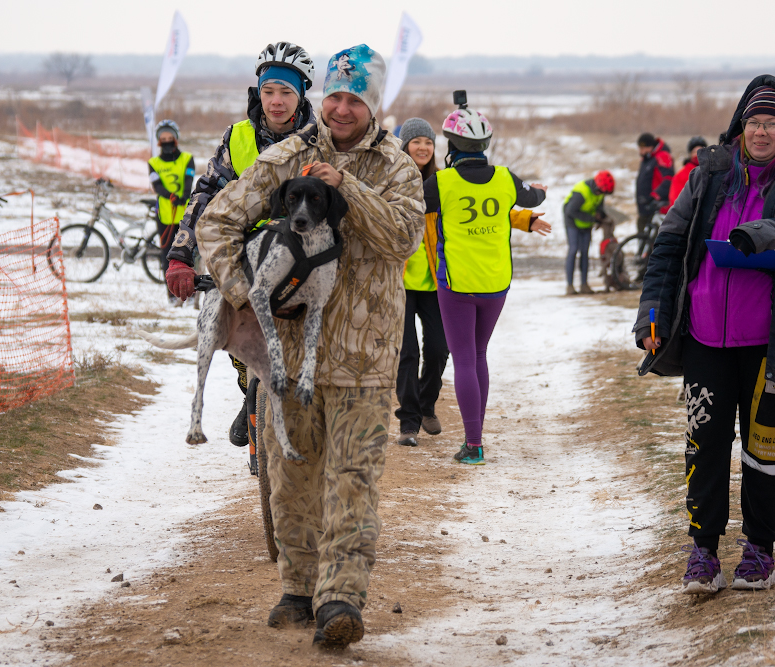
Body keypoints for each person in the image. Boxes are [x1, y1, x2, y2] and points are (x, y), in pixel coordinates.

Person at [196, 44, 424, 650]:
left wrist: (345, 185)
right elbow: (214, 221)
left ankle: (340, 600)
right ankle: (297, 590)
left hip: (366, 360)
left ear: (372, 104)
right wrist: (246, 294)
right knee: (292, 480)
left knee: (353, 481)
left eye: (355, 99)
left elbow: (402, 238)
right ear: (321, 99)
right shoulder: (288, 155)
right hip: (290, 361)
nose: (342, 109)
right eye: (335, 97)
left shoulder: (397, 166)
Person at [635, 76, 775, 594]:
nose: (761, 131)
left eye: (772, 122)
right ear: (740, 125)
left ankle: (759, 548)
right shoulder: (709, 175)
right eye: (754, 121)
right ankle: (703, 550)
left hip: (773, 345)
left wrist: (764, 234)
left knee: (767, 449)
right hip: (707, 340)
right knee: (704, 442)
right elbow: (668, 246)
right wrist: (652, 314)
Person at [165, 41, 316, 447]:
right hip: (242, 257)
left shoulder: (320, 141)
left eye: (286, 92)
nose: (277, 101)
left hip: (303, 259)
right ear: (258, 93)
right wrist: (179, 254)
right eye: (268, 92)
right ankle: (250, 393)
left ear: (302, 93)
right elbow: (205, 194)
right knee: (239, 342)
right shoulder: (238, 138)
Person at [423, 95, 550, 465]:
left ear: (451, 145)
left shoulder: (440, 183)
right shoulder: (505, 179)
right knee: (479, 355)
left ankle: (473, 445)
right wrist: (536, 192)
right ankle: (475, 439)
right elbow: (535, 194)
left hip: (457, 285)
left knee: (463, 359)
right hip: (497, 285)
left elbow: (406, 203)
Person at [395, 118, 448, 447]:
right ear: (405, 146)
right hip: (398, 284)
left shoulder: (445, 184)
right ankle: (409, 422)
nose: (423, 147)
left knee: (440, 350)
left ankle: (427, 405)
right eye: (417, 142)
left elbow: (488, 209)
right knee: (407, 354)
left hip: (436, 283)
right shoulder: (394, 182)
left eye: (428, 142)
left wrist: (524, 218)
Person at [147, 119, 194, 304]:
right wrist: (171, 196)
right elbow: (157, 186)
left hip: (186, 217)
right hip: (165, 216)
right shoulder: (153, 162)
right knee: (167, 255)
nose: (167, 141)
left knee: (188, 255)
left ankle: (191, 293)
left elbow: (189, 181)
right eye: (163, 138)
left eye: (170, 137)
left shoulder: (187, 159)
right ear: (159, 141)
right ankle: (172, 295)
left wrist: (183, 196)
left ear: (176, 139)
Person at [562, 170, 615, 295]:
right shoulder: (581, 192)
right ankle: (569, 286)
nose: (602, 194)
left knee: (585, 251)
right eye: (601, 192)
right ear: (597, 186)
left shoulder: (600, 192)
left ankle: (584, 285)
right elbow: (570, 211)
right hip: (572, 221)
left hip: (586, 223)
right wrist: (592, 218)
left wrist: (601, 215)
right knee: (573, 249)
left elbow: (599, 207)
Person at [635, 132, 674, 234]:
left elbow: (668, 179)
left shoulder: (662, 156)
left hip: (656, 206)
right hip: (645, 207)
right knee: (642, 238)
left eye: (643, 148)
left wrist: (654, 196)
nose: (641, 152)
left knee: (653, 241)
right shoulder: (647, 159)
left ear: (650, 146)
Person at [668, 136, 707, 207]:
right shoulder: (682, 174)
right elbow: (676, 199)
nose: (698, 154)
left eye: (701, 151)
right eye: (695, 151)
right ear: (690, 154)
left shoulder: (713, 171)